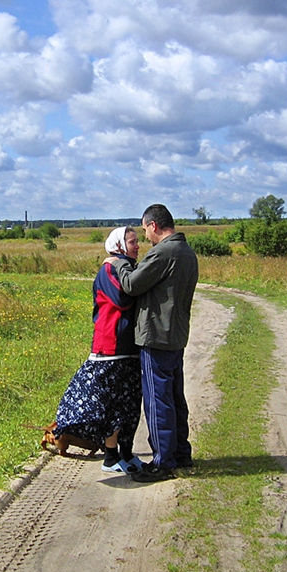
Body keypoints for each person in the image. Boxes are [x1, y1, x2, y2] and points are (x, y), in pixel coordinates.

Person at [106, 204, 199, 482]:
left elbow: (132, 284)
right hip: (175, 336)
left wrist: (118, 261)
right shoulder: (186, 252)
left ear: (154, 225)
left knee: (158, 402)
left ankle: (162, 462)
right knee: (174, 397)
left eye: (145, 230)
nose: (145, 237)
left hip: (157, 337)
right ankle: (181, 453)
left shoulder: (163, 252)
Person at [52, 227, 145, 474]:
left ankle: (126, 452)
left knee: (130, 406)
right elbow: (123, 298)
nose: (138, 246)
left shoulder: (127, 267)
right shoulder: (109, 269)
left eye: (138, 241)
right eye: (133, 241)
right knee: (113, 406)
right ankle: (111, 457)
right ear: (119, 245)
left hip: (129, 347)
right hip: (111, 347)